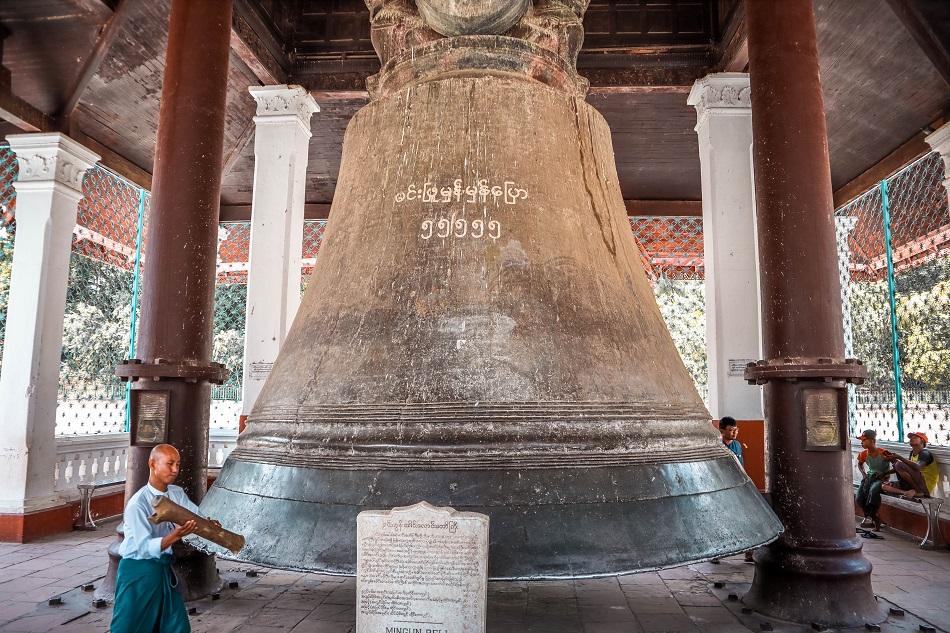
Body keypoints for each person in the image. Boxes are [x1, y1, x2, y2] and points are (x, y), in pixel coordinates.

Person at [111, 444, 216, 633]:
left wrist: (208, 525)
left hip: (162, 569)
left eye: (178, 464)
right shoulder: (138, 504)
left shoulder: (176, 494)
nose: (175, 469)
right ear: (152, 464)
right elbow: (143, 547)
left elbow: (195, 519)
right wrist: (175, 535)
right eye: (170, 464)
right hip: (138, 572)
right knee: (129, 628)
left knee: (176, 626)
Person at [718, 417, 753, 562]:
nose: (734, 433)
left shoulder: (737, 445)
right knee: (721, 519)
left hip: (738, 486)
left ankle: (749, 551)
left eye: (736, 430)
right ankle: (717, 553)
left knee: (745, 518)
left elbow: (741, 467)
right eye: (731, 430)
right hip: (721, 487)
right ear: (721, 430)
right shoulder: (716, 446)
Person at [882, 431, 939, 500]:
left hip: (925, 485)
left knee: (898, 464)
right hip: (915, 482)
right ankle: (905, 492)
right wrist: (884, 473)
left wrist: (899, 457)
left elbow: (917, 467)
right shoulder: (912, 453)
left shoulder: (925, 453)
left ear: (922, 440)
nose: (911, 439)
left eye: (915, 437)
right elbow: (907, 467)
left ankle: (919, 491)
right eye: (910, 438)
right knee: (883, 486)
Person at [855, 429, 890, 531]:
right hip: (869, 477)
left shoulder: (884, 452)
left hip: (881, 480)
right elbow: (859, 464)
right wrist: (864, 474)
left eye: (864, 440)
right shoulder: (864, 454)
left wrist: (886, 474)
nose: (862, 442)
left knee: (873, 491)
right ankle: (875, 517)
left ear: (872, 441)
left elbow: (896, 465)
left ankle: (876, 521)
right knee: (859, 499)